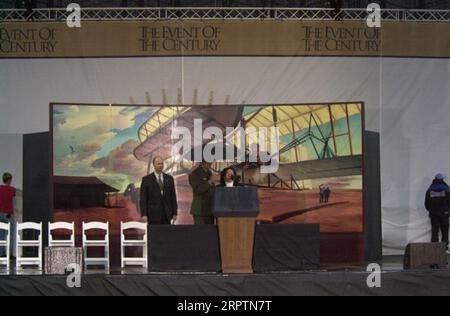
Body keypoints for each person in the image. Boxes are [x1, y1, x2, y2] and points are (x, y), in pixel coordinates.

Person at [140, 157, 178, 225]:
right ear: (153, 165)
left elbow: (173, 197)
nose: (161, 165)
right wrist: (144, 214)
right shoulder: (146, 180)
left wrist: (175, 213)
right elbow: (143, 199)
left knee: (166, 235)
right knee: (155, 235)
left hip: (167, 215)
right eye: (158, 164)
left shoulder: (169, 179)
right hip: (153, 215)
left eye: (162, 163)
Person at [425, 173, 450, 249]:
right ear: (442, 180)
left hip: (434, 214)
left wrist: (431, 210)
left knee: (435, 231)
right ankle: (444, 248)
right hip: (444, 213)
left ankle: (434, 249)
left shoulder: (430, 189)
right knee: (445, 231)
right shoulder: (446, 189)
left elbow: (427, 203)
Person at [0, 173, 17, 259]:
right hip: (8, 214)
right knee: (10, 234)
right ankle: (9, 254)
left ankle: (1, 253)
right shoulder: (12, 190)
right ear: (10, 180)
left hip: (0, 213)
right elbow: (14, 202)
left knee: (1, 234)